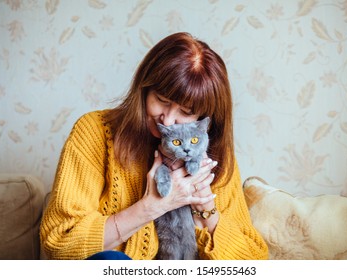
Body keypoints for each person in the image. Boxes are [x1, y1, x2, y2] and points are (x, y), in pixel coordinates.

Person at [40, 32, 268, 260]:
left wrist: (205, 207)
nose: (167, 120)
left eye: (186, 112)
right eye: (162, 100)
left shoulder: (212, 154)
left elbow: (253, 260)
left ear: (204, 120)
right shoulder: (96, 132)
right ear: (144, 89)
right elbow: (60, 243)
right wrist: (152, 206)